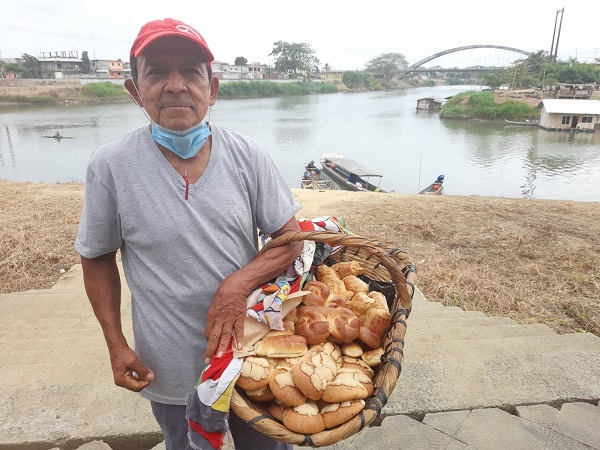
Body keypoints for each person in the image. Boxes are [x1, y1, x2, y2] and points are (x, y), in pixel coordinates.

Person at [75, 18, 302, 450]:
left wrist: (236, 286)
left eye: (191, 72)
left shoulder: (248, 155)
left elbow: (290, 240)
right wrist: (116, 344)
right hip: (171, 367)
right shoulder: (109, 165)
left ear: (212, 88)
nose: (176, 85)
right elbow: (97, 257)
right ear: (134, 90)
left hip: (252, 355)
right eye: (157, 71)